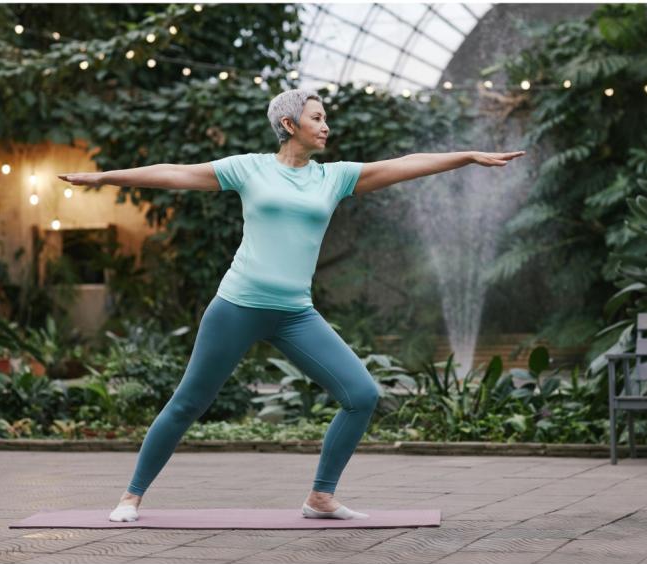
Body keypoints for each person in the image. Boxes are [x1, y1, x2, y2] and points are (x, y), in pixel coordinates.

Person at [58, 88, 525, 522]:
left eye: (326, 119)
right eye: (317, 118)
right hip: (237, 306)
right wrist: (104, 176)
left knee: (361, 395)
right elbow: (176, 174)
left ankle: (320, 497)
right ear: (288, 123)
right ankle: (131, 496)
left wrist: (464, 157)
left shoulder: (335, 177)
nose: (326, 126)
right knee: (188, 403)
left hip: (295, 313)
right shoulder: (249, 168)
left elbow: (406, 163)